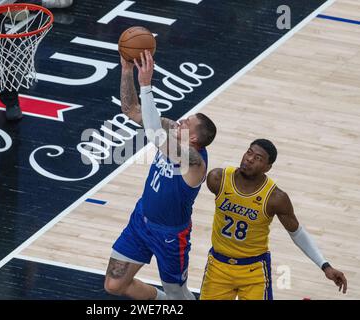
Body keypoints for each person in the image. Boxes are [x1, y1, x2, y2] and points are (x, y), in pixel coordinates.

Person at [104, 50, 217, 300]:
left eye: (186, 123)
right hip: (140, 221)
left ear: (194, 138)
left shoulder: (194, 161)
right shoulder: (171, 131)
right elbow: (130, 109)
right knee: (113, 284)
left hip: (170, 235)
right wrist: (126, 70)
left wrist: (147, 84)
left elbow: (154, 133)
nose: (180, 122)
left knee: (177, 292)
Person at [200, 139, 348, 300]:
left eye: (258, 158)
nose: (249, 159)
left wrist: (325, 265)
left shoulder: (276, 198)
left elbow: (297, 233)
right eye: (249, 152)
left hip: (253, 271)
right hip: (218, 266)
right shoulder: (217, 178)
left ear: (267, 168)